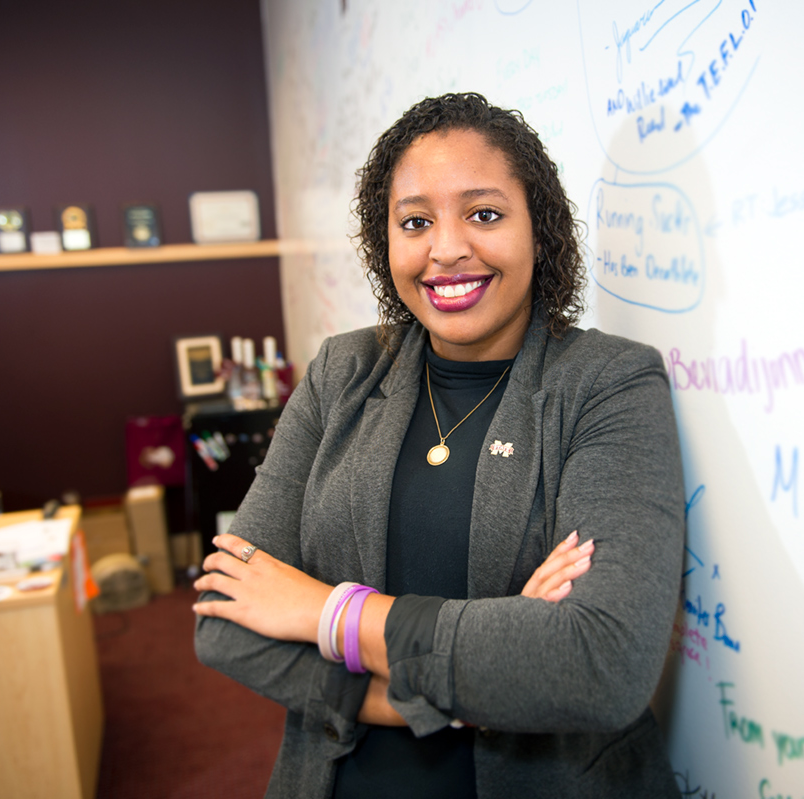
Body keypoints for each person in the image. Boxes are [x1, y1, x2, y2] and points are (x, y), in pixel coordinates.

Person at [194, 92, 685, 798]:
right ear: (384, 240)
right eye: (415, 221)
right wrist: (444, 694)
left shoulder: (609, 384)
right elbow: (225, 619)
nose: (446, 248)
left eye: (484, 214)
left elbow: (602, 662)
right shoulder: (343, 372)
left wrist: (322, 611)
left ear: (538, 229)